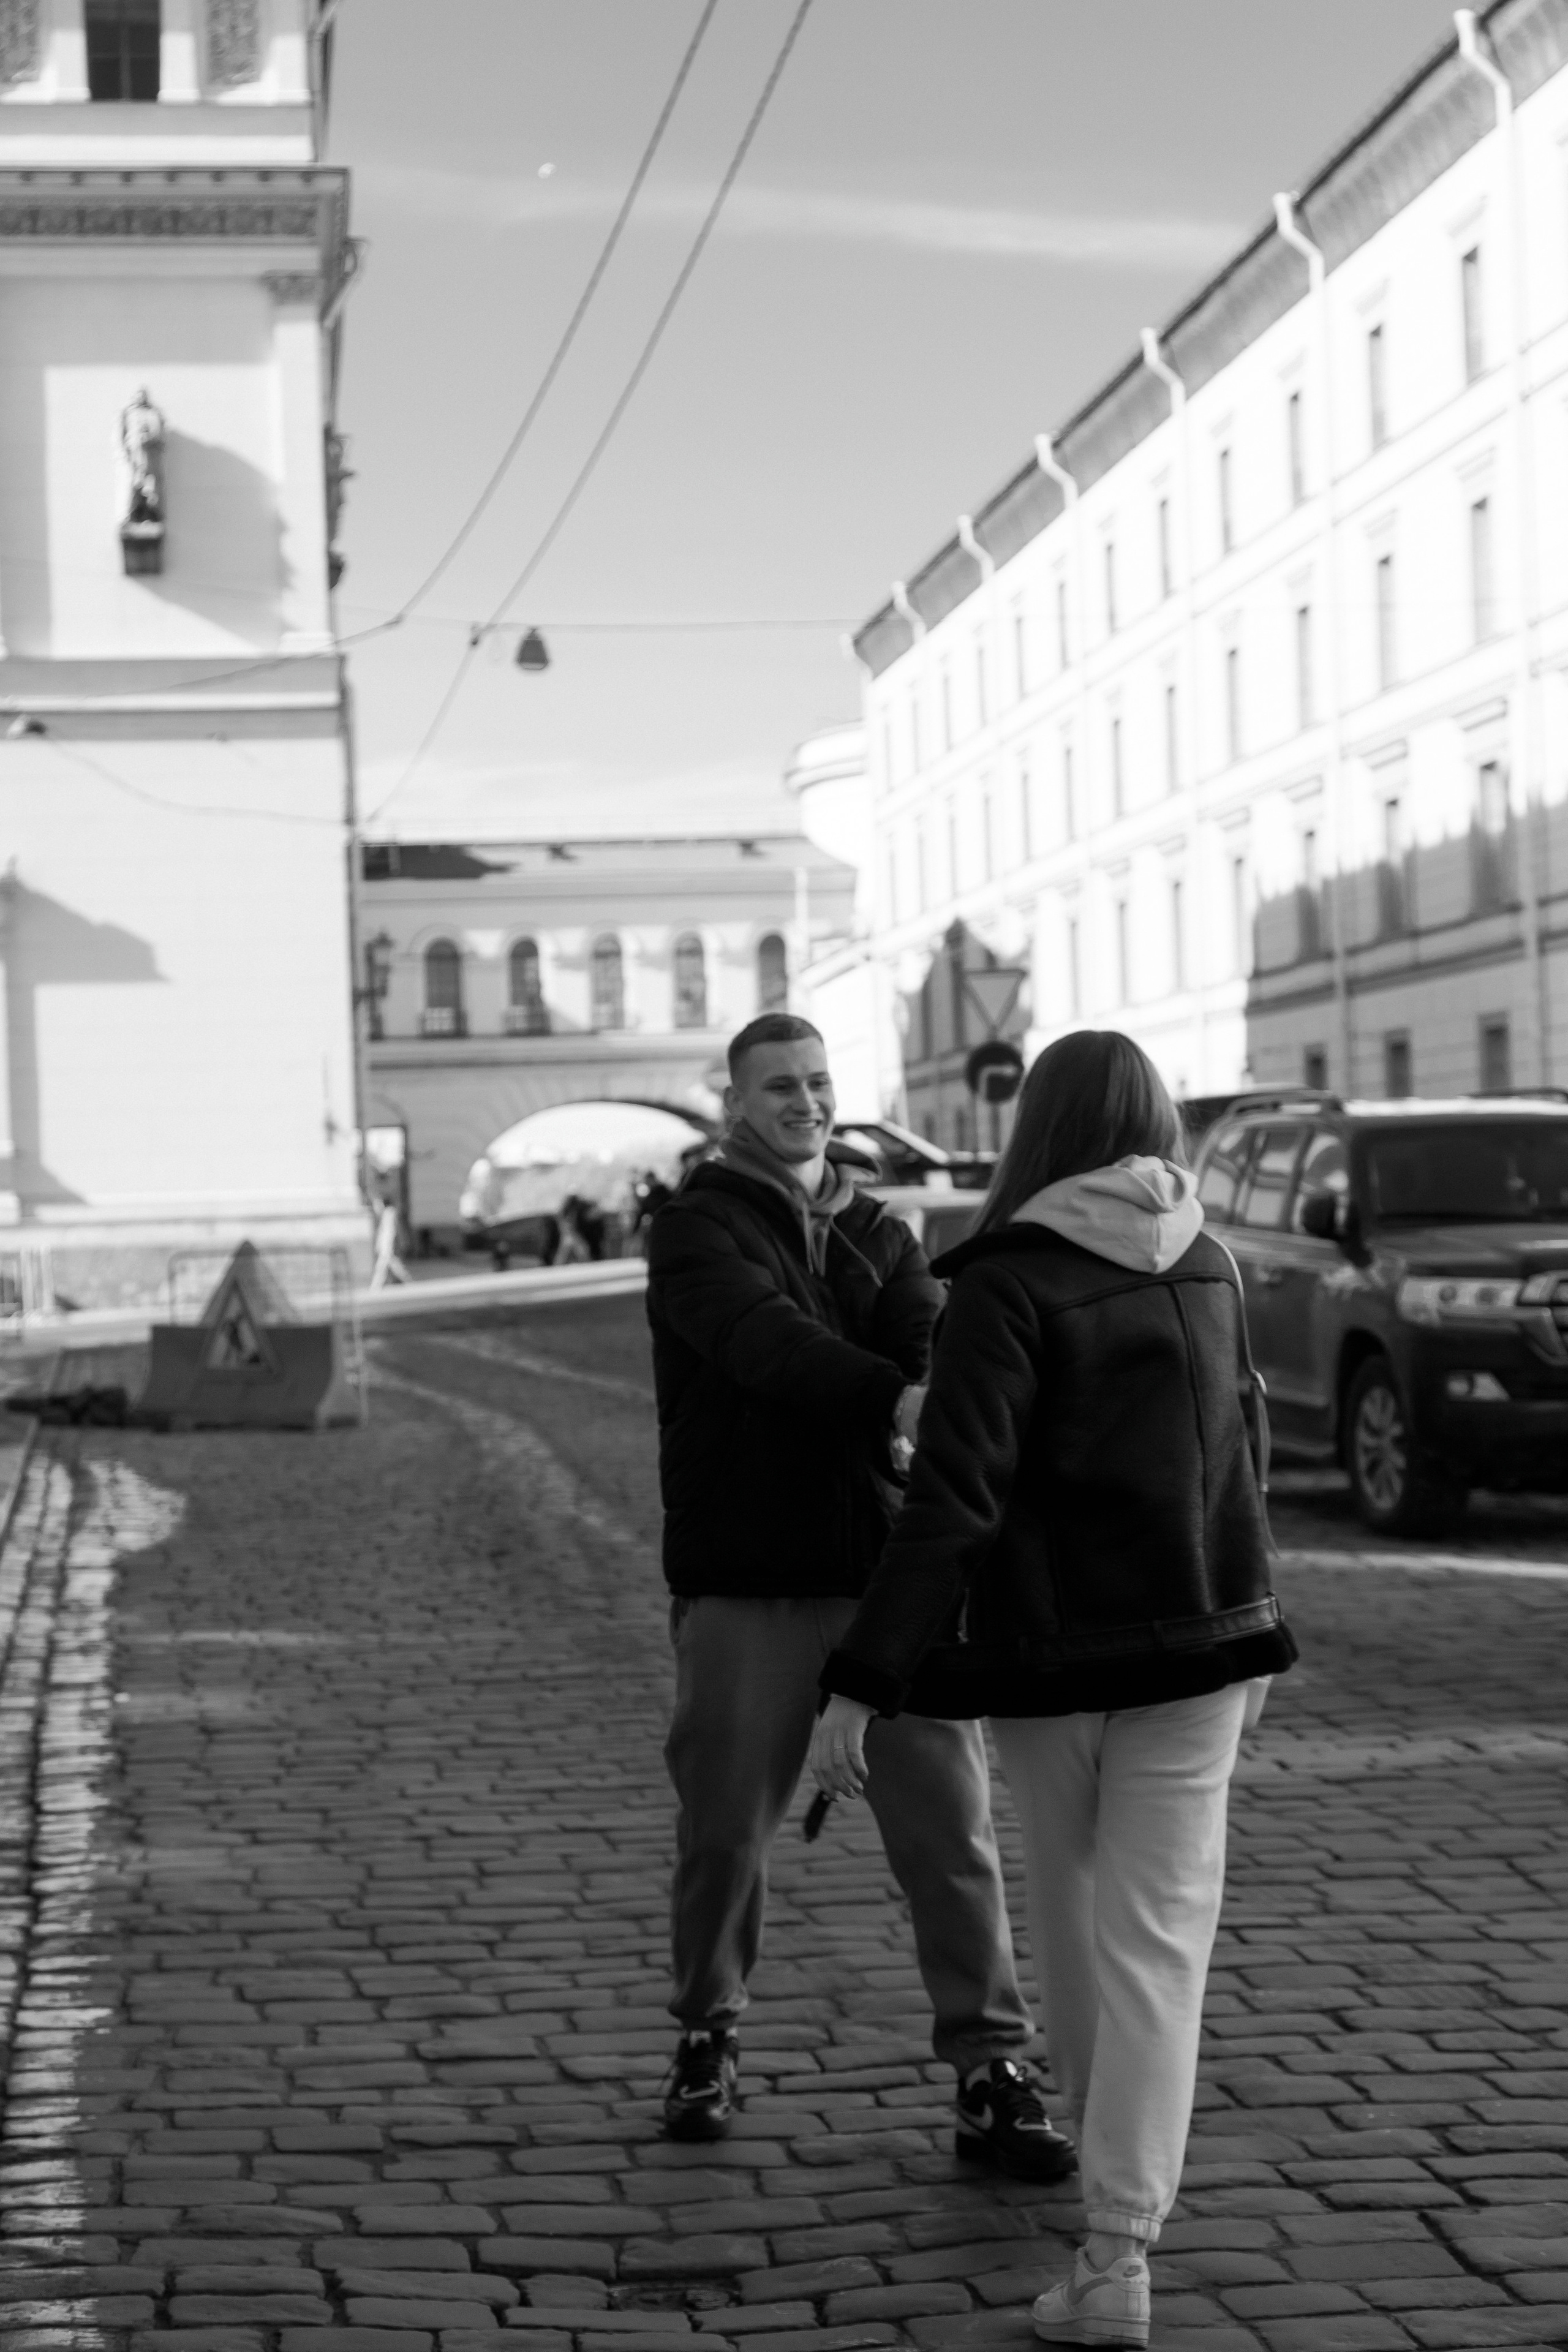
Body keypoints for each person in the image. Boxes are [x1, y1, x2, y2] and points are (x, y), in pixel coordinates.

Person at [810, 1029, 1296, 2351]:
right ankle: (1116, 2251)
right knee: (1154, 1947)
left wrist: (861, 1683)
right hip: (1202, 1652)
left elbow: (952, 1503)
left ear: (1037, 1128)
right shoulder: (1205, 1257)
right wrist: (1259, 1634)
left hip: (1052, 1658)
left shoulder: (1005, 1280)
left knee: (1086, 1933)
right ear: (1150, 1122)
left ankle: (1109, 2250)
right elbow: (1238, 1457)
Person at [644, 1012, 1073, 2177]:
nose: (806, 1102)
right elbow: (760, 1342)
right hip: (747, 1579)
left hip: (891, 1581)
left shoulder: (882, 1229)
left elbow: (932, 1339)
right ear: (735, 1102)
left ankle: (993, 2071)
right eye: (780, 1086)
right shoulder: (694, 1231)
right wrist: (896, 1401)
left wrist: (935, 1388)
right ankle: (706, 2033)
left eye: (819, 1083)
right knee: (726, 1831)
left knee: (952, 1836)